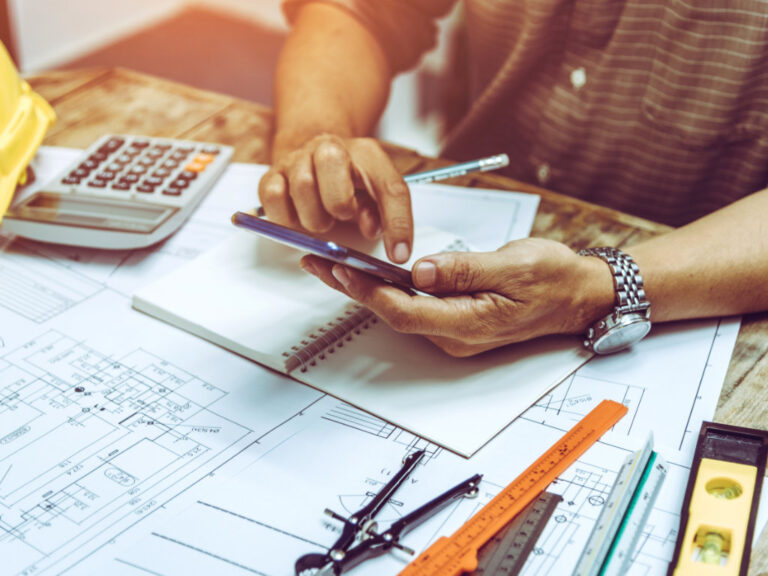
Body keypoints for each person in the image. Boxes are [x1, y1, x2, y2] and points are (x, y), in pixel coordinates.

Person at [258, 1, 768, 357]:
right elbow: (365, 10)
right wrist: (316, 132)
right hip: (477, 210)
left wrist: (598, 288)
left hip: (709, 282)